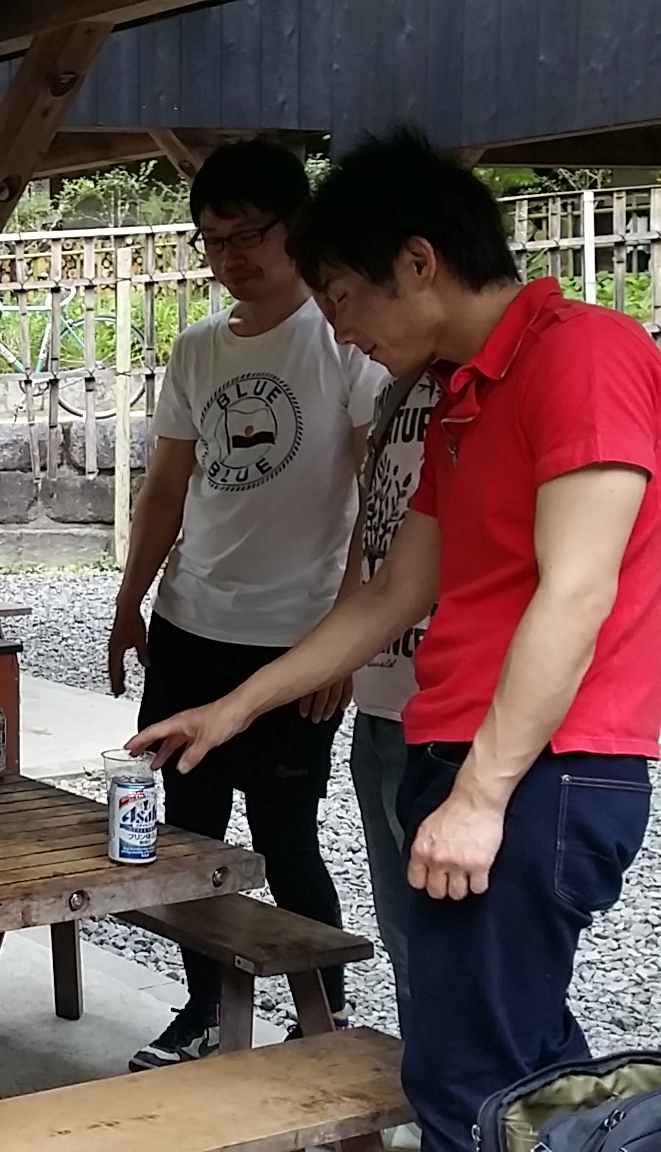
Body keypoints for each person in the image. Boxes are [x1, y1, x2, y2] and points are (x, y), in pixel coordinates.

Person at [132, 129, 661, 1152]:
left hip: (542, 765)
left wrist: (481, 796)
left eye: (341, 296)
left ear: (417, 262)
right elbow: (390, 595)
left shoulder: (583, 353)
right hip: (461, 749)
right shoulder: (462, 390)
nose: (338, 326)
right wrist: (233, 707)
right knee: (521, 1062)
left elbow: (577, 592)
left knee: (465, 1076)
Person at [105, 139, 387, 1071]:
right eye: (213, 240)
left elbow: (377, 496)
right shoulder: (197, 347)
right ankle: (203, 1011)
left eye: (248, 235)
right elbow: (165, 488)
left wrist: (345, 636)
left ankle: (320, 1014)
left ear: (293, 228)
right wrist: (130, 600)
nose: (230, 256)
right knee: (189, 838)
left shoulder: (342, 342)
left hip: (295, 637)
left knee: (286, 832)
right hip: (191, 625)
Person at [348, 369, 437, 1046]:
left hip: (446, 719)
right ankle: (425, 1080)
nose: (343, 330)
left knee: (463, 951)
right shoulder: (391, 391)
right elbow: (371, 534)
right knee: (405, 938)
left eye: (346, 313)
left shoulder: (485, 391)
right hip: (380, 696)